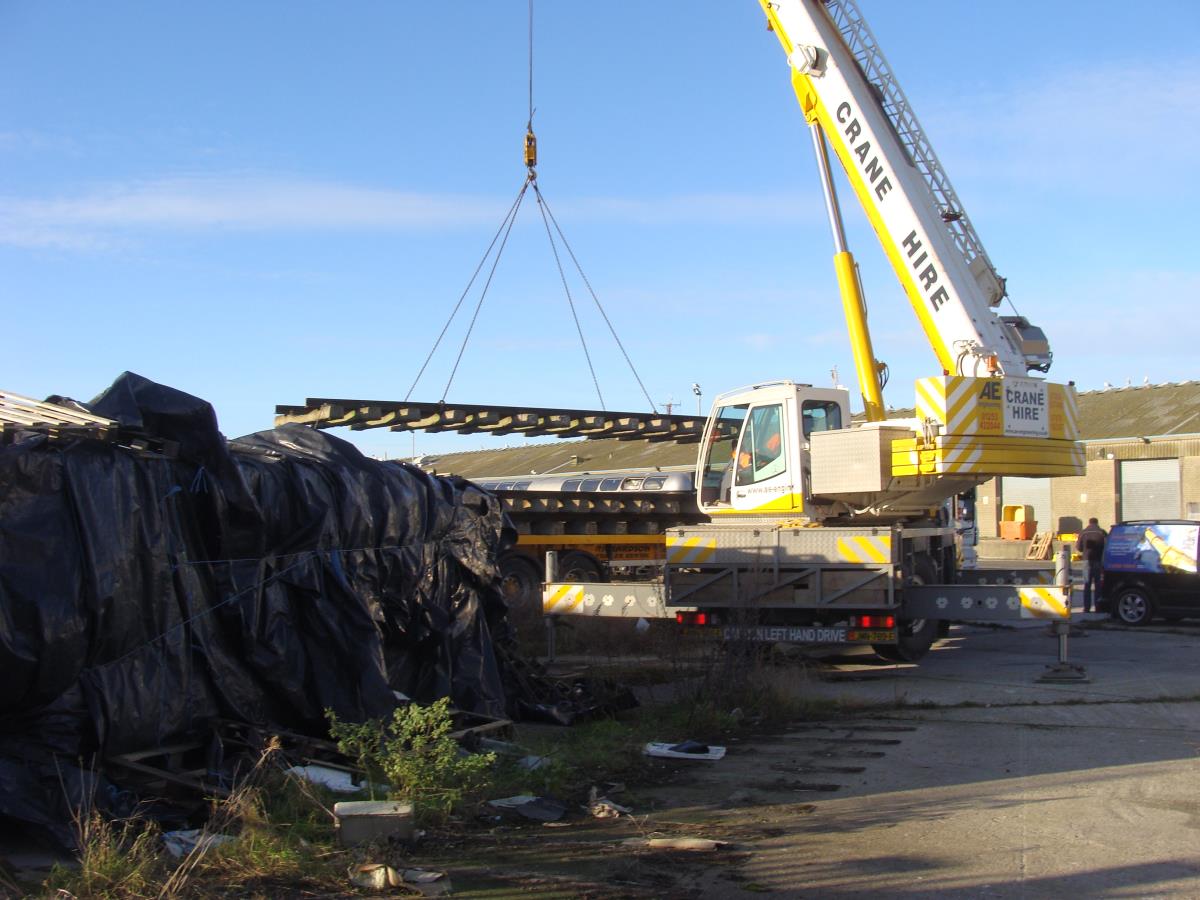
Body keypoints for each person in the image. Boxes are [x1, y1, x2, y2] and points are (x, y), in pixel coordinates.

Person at [1076, 517, 1108, 613]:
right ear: (1097, 523)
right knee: (1098, 585)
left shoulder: (1083, 532)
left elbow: (1078, 547)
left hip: (1086, 561)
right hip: (1098, 561)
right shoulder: (1102, 532)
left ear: (1089, 523)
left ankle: (1087, 608)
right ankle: (1098, 607)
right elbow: (1107, 546)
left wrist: (1085, 550)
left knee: (1087, 585)